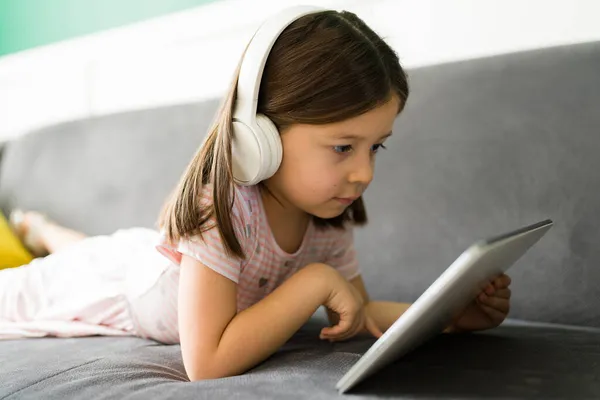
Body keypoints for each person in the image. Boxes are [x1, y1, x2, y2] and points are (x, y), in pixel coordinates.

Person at [0, 7, 512, 381]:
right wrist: (312, 281)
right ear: (258, 136)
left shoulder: (325, 214)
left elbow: (360, 313)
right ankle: (39, 230)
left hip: (142, 258)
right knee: (65, 269)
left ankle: (40, 228)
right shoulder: (220, 210)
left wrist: (452, 317)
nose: (363, 173)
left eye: (376, 147)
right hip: (123, 288)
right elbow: (207, 363)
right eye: (342, 147)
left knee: (100, 245)